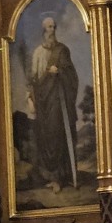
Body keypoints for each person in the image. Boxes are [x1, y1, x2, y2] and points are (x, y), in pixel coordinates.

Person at [28, 15, 84, 191]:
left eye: (53, 27)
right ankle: (49, 176)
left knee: (59, 135)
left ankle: (62, 176)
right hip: (44, 103)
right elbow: (34, 80)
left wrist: (59, 72)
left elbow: (72, 76)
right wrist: (33, 96)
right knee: (47, 137)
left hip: (60, 103)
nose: (52, 30)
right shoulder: (38, 53)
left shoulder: (62, 50)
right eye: (49, 27)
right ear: (43, 31)